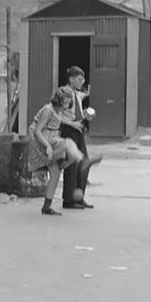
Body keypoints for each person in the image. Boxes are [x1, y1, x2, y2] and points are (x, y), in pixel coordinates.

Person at [28, 86, 87, 216]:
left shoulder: (58, 111)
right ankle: (82, 161)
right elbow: (37, 131)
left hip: (50, 139)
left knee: (55, 174)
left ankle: (46, 207)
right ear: (58, 101)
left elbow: (64, 120)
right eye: (64, 103)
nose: (66, 106)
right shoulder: (48, 111)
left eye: (68, 103)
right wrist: (48, 146)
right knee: (68, 143)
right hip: (41, 141)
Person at [59, 66, 97, 209]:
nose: (83, 82)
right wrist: (73, 124)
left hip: (78, 130)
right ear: (71, 79)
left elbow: (82, 98)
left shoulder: (76, 94)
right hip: (69, 130)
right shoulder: (63, 93)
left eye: (83, 79)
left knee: (84, 163)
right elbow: (57, 115)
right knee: (71, 165)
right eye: (80, 79)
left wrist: (86, 114)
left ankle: (79, 196)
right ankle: (69, 199)